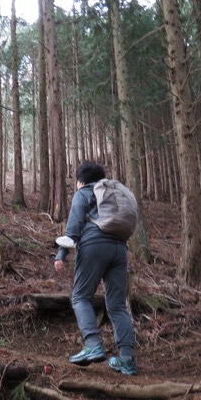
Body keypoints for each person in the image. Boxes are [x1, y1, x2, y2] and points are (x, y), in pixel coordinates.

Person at [54, 161, 137, 376]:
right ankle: (127, 359)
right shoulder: (110, 195)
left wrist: (61, 254)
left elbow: (74, 226)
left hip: (94, 245)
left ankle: (92, 344)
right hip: (120, 248)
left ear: (81, 181)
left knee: (80, 297)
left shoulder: (83, 193)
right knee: (117, 305)